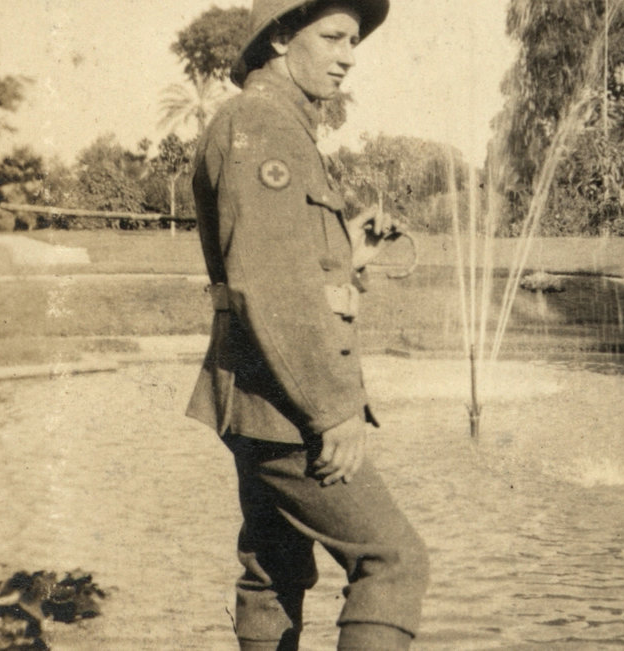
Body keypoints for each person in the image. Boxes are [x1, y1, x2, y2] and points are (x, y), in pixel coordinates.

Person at [185, 1, 429, 649]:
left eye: (354, 40)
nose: (349, 55)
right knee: (393, 560)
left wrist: (353, 251)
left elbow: (294, 267)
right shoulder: (262, 127)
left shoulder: (276, 124)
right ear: (279, 38)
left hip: (259, 396)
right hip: (288, 404)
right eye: (333, 37)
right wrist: (333, 408)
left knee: (275, 567)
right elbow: (270, 287)